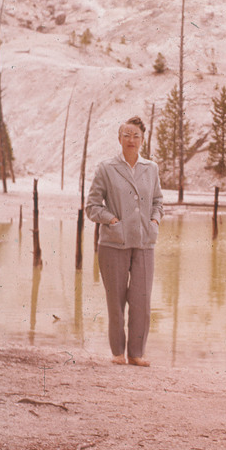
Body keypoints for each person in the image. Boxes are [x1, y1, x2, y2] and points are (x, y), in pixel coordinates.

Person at [85, 116, 163, 367]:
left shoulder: (151, 168)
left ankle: (136, 353)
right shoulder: (106, 168)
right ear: (119, 138)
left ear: (143, 139)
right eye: (126, 135)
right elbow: (92, 206)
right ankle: (118, 352)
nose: (131, 140)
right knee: (115, 300)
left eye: (136, 135)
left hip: (144, 242)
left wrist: (155, 222)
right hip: (113, 243)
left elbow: (158, 202)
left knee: (142, 299)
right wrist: (111, 221)